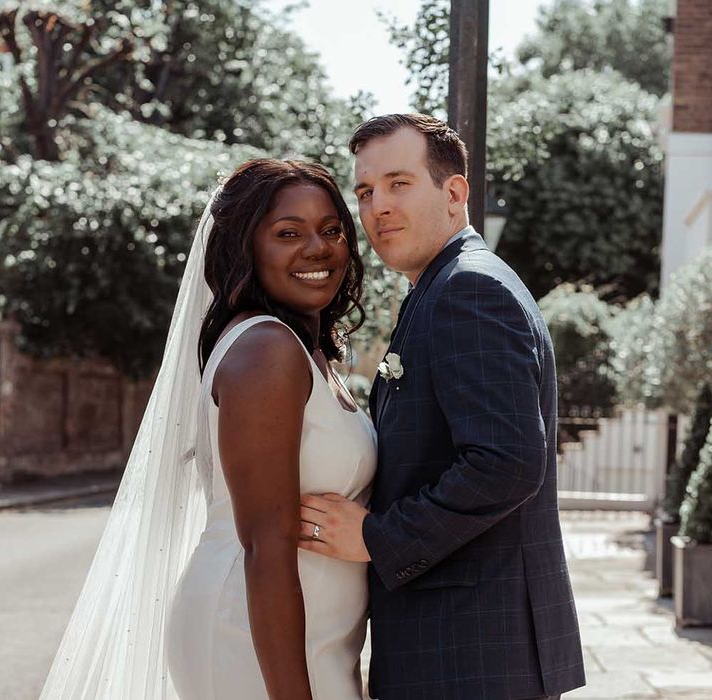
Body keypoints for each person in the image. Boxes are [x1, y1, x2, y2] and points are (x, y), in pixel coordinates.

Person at [40, 159, 376, 700]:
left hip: (313, 637)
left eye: (331, 229)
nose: (319, 248)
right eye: (288, 233)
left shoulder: (308, 351)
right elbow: (266, 546)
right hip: (249, 638)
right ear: (244, 248)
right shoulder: (267, 350)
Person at [299, 114, 586, 700]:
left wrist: (378, 538)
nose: (378, 206)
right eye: (365, 190)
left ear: (454, 193)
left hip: (471, 654)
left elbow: (506, 462)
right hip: (467, 650)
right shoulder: (442, 286)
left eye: (399, 183)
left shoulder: (466, 290)